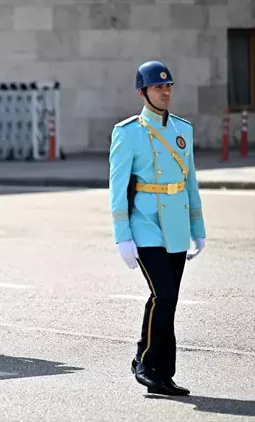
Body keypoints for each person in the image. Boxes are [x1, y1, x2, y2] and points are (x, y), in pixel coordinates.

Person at [109, 60, 206, 396]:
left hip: (176, 225)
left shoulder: (183, 130)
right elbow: (118, 188)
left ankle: (164, 374)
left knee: (170, 300)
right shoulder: (128, 132)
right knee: (162, 294)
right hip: (145, 225)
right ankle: (145, 363)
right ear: (143, 92)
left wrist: (198, 227)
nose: (165, 92)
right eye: (157, 87)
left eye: (168, 86)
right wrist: (123, 236)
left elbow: (190, 181)